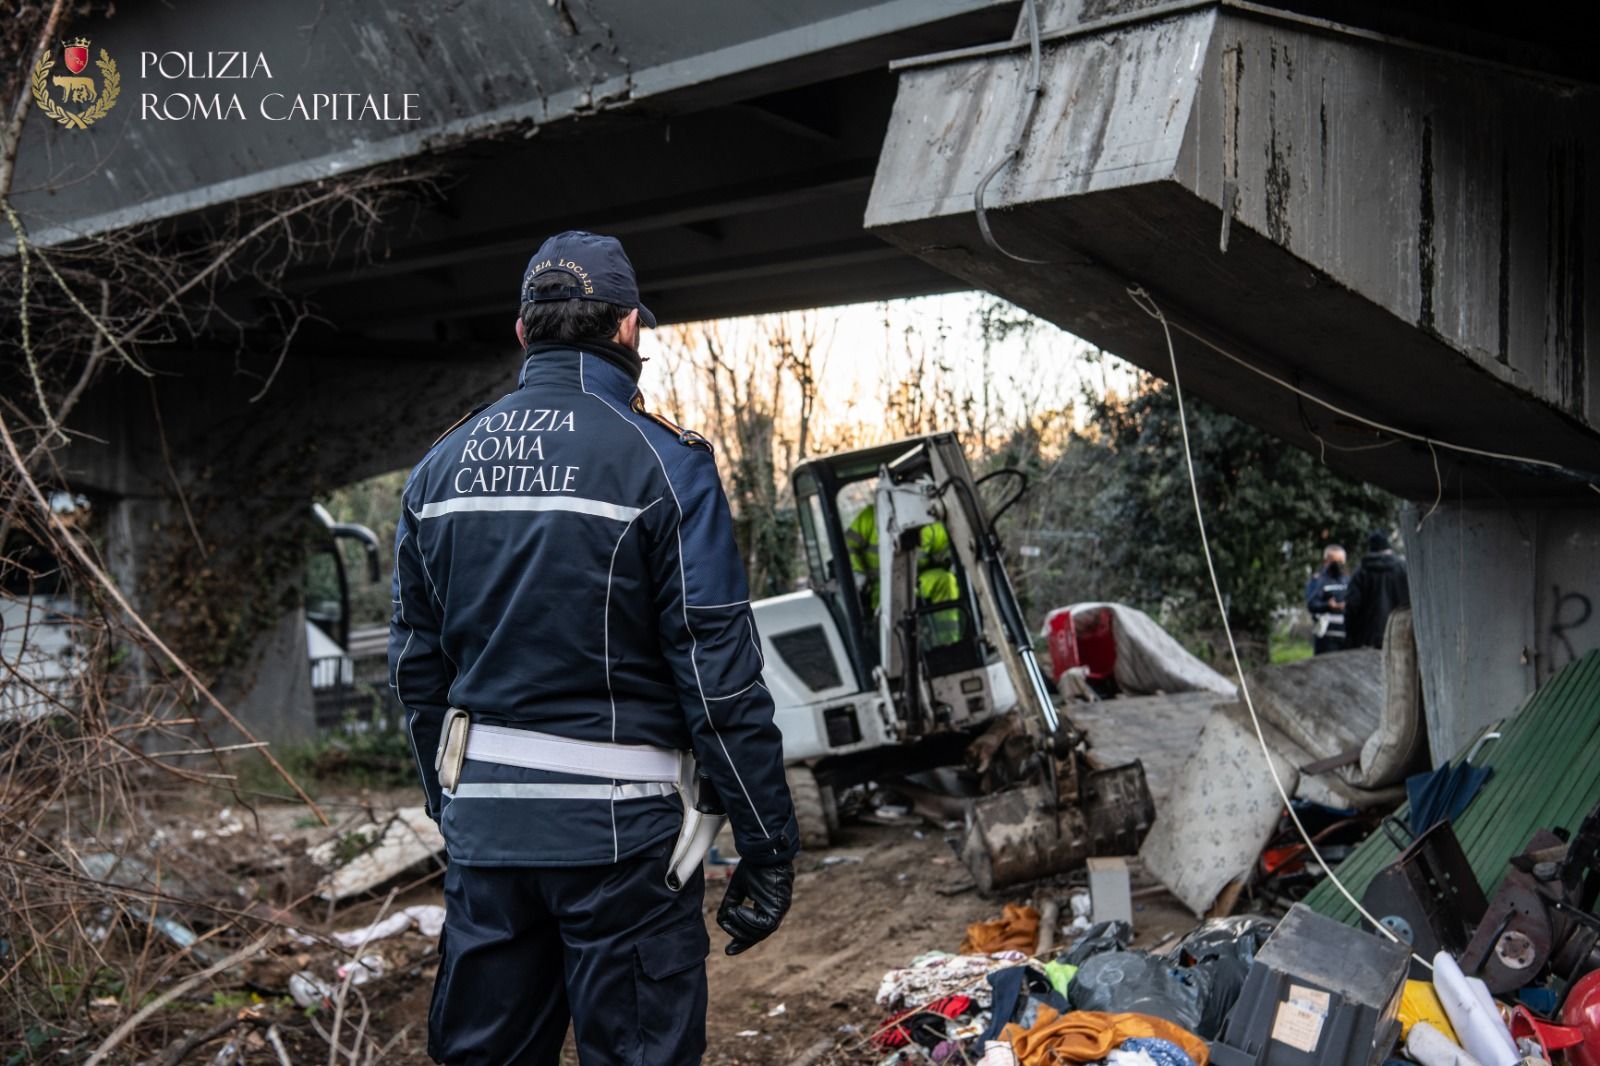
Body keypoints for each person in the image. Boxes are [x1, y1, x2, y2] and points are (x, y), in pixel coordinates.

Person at [388, 230, 798, 1065]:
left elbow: (417, 674)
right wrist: (766, 843)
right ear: (626, 330)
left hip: (488, 841)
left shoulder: (436, 471)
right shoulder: (666, 465)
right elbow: (718, 681)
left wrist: (455, 808)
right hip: (624, 847)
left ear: (521, 332)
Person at [844, 504, 962, 643]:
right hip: (881, 586)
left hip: (918, 579)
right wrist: (858, 572)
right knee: (891, 607)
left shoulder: (929, 520)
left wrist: (953, 561)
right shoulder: (872, 516)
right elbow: (848, 545)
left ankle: (949, 642)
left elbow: (943, 549)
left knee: (945, 580)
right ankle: (898, 648)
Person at [1343, 530, 1411, 649]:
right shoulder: (1404, 569)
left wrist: (1350, 637)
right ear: (1388, 547)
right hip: (1401, 635)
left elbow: (1352, 606)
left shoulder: (1361, 572)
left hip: (1367, 639)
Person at [1304, 544, 1348, 654]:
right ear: (1326, 561)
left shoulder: (1348, 581)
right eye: (1334, 561)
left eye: (1341, 561)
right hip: (1325, 639)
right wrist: (1327, 605)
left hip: (1346, 638)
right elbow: (1311, 604)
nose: (1338, 565)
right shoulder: (1317, 581)